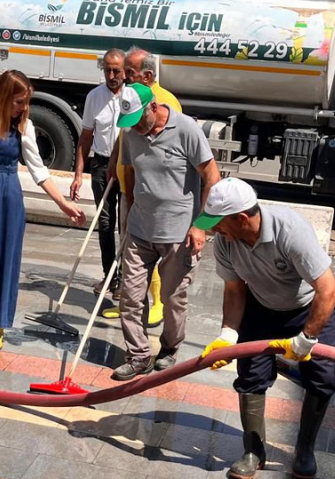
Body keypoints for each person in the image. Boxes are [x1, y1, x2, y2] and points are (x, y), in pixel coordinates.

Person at [196, 177, 335, 479]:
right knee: (250, 375)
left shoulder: (290, 231)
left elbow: (329, 290)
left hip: (306, 308)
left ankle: (304, 450)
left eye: (219, 223)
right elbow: (235, 291)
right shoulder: (226, 241)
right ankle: (253, 451)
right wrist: (228, 336)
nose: (213, 230)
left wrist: (306, 339)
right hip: (261, 307)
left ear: (242, 218)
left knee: (324, 377)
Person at [0, 70, 86, 351]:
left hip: (7, 195)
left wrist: (62, 203)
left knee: (2, 257)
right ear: (3, 97)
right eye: (19, 102)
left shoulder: (25, 127)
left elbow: (39, 171)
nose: (23, 108)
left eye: (26, 102)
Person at [111, 83, 221, 381]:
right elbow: (130, 175)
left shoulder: (186, 129)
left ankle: (170, 348)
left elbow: (213, 178)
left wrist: (202, 226)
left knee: (173, 299)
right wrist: (128, 216)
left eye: (138, 121)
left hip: (178, 233)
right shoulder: (130, 133)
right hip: (139, 230)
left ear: (153, 107)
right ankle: (138, 356)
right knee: (130, 297)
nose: (135, 128)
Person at [102, 47, 182, 325]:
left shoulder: (165, 100)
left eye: (130, 72)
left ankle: (158, 303)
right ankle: (130, 303)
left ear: (148, 75)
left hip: (150, 191)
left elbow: (170, 148)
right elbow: (124, 131)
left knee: (151, 249)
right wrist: (115, 158)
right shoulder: (130, 95)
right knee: (129, 248)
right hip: (128, 183)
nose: (123, 76)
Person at [70, 49, 127, 296]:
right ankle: (110, 276)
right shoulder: (94, 97)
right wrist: (77, 175)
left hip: (127, 169)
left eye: (116, 70)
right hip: (101, 165)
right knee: (104, 223)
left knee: (126, 224)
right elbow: (85, 138)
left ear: (125, 71)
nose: (112, 75)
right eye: (107, 70)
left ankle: (126, 279)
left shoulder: (133, 96)